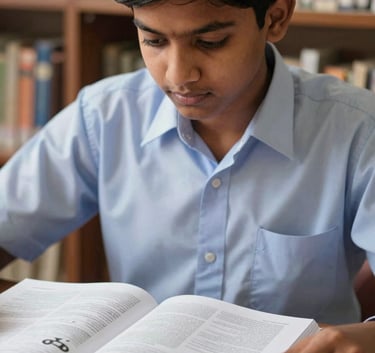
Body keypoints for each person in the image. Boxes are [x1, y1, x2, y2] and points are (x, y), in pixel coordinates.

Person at [0, 0, 375, 350]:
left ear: (275, 18)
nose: (179, 75)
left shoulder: (358, 131)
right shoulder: (105, 115)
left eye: (210, 41)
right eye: (153, 40)